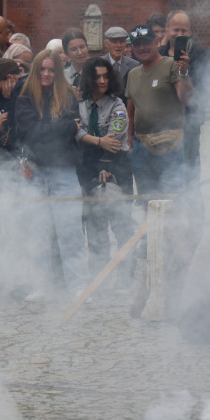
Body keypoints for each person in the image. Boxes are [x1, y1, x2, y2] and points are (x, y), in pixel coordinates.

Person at [15, 48, 89, 294]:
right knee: (37, 232)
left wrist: (49, 129)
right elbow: (30, 134)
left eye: (51, 70)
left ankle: (79, 287)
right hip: (35, 172)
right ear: (35, 71)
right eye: (42, 69)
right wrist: (63, 127)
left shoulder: (67, 97)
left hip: (63, 170)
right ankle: (40, 287)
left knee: (70, 233)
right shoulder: (25, 97)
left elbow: (50, 132)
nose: (46, 74)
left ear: (58, 72)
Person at [76, 57, 134, 276]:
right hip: (87, 169)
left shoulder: (118, 106)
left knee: (121, 224)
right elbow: (73, 132)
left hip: (116, 166)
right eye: (97, 77)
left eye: (105, 76)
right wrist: (96, 141)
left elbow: (114, 138)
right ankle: (99, 276)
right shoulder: (79, 105)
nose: (101, 81)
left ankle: (126, 274)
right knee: (95, 227)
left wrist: (104, 165)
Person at [124, 24, 191, 196]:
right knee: (146, 196)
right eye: (137, 44)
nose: (142, 48)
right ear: (132, 48)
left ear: (156, 42)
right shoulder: (132, 74)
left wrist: (184, 73)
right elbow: (130, 112)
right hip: (141, 146)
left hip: (170, 142)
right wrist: (129, 140)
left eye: (146, 43)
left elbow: (185, 98)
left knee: (171, 195)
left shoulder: (171, 65)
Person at [158, 10, 210, 193]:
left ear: (190, 31)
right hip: (161, 128)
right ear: (167, 29)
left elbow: (199, 99)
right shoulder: (157, 55)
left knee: (190, 181)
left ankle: (193, 211)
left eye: (184, 30)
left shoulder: (201, 56)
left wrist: (184, 72)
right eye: (176, 30)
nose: (180, 34)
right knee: (164, 181)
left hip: (188, 127)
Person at [0, 59, 24, 154]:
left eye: (0, 88)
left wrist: (10, 99)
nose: (1, 92)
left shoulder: (20, 92)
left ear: (10, 78)